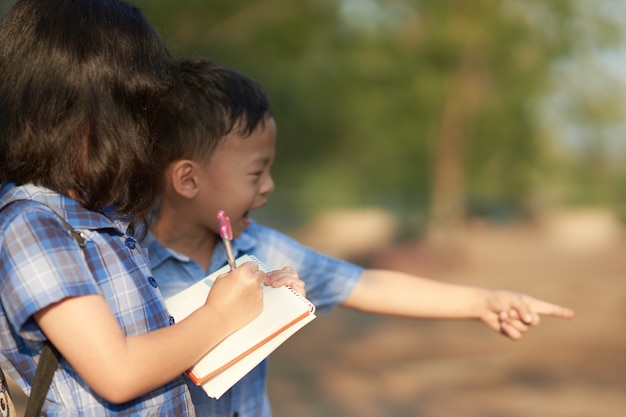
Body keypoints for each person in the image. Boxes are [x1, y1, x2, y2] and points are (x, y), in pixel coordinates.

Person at [143, 57, 575, 417]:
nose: (270, 185)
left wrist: (481, 302)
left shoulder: (263, 250)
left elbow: (365, 284)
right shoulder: (127, 263)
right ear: (187, 179)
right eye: (256, 172)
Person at [0, 1, 303, 415]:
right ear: (72, 112)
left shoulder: (106, 215)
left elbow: (151, 337)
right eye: (135, 112)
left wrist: (251, 297)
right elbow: (118, 369)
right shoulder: (32, 226)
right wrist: (219, 315)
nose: (147, 133)